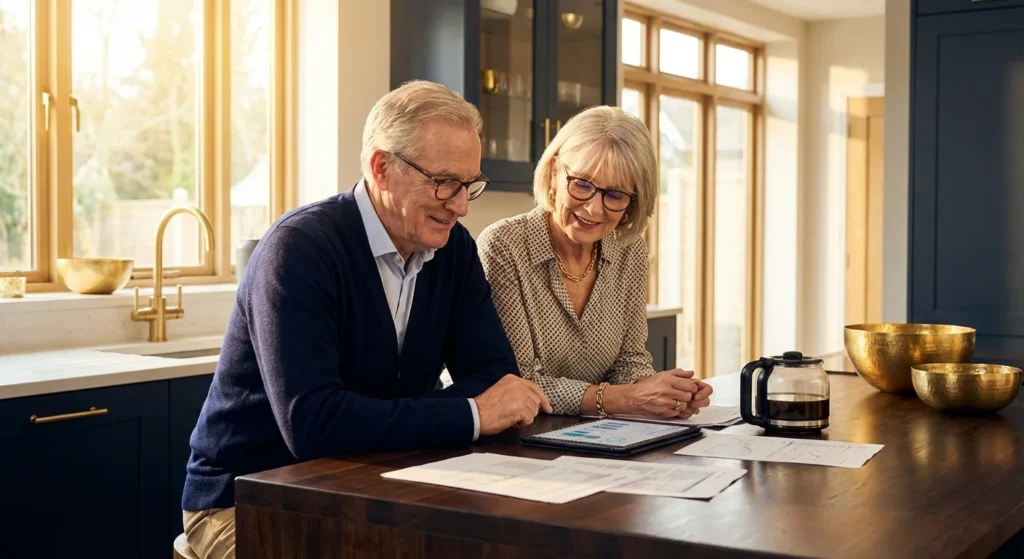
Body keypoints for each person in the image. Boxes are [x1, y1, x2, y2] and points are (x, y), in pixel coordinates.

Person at [181, 80, 552, 559]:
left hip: (379, 488)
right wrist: (469, 413)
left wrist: (378, 416)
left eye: (469, 186)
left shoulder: (453, 249)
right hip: (245, 501)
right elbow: (313, 424)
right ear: (382, 168)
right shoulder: (299, 250)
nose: (460, 205)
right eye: (444, 182)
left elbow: (493, 377)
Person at [477, 105, 712, 419]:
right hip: (517, 440)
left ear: (632, 202)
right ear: (554, 173)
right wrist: (623, 398)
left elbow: (630, 362)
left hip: (597, 435)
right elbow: (518, 384)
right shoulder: (504, 246)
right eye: (582, 184)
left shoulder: (631, 252)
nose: (594, 209)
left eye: (614, 195)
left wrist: (665, 395)